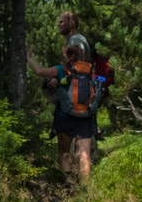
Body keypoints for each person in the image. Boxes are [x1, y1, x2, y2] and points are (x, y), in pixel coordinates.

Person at [31, 37, 98, 181]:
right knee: (84, 154)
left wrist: (28, 57)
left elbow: (39, 71)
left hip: (65, 116)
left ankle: (69, 180)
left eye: (64, 56)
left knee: (63, 152)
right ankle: (85, 187)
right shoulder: (89, 70)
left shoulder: (62, 69)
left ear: (68, 56)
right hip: (86, 117)